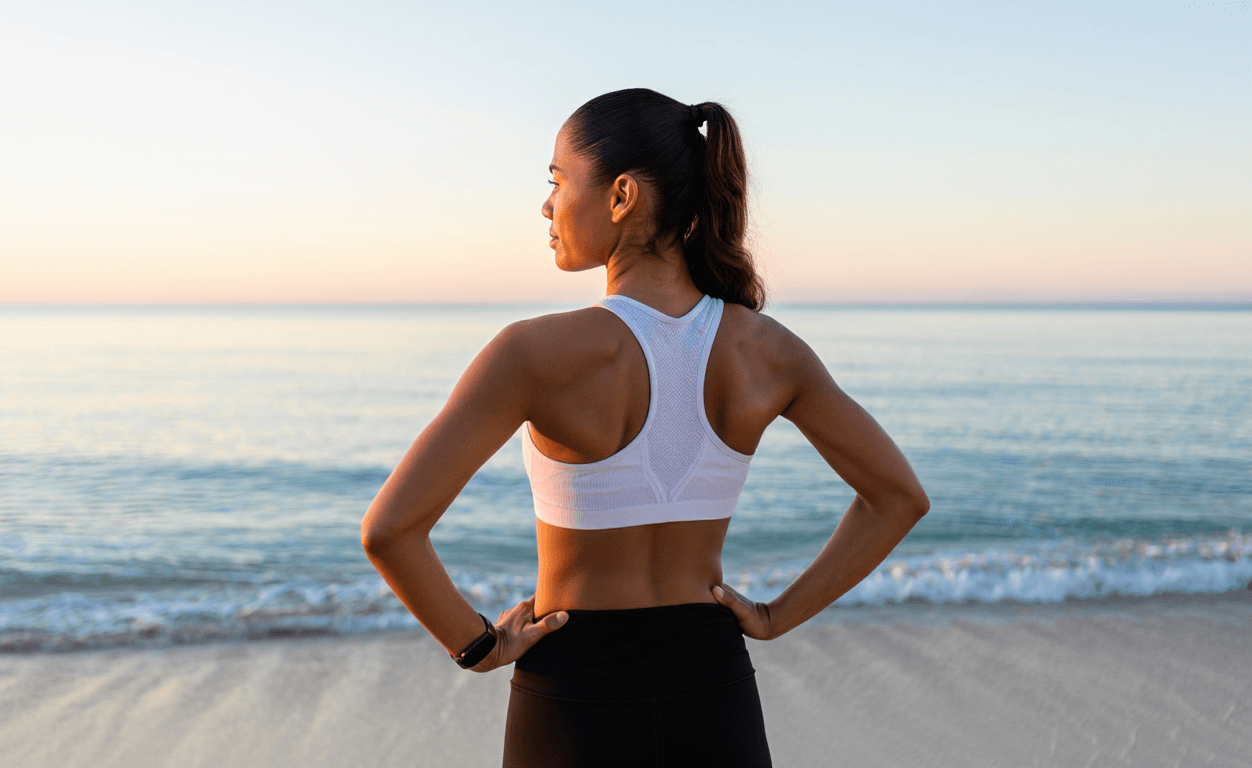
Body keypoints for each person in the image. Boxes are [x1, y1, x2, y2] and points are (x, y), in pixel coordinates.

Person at [361, 87, 930, 767]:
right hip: (714, 689)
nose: (546, 205)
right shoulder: (769, 351)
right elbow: (898, 498)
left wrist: (479, 645)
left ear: (621, 195)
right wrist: (775, 618)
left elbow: (391, 531)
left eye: (557, 181)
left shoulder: (531, 353)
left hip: (573, 695)